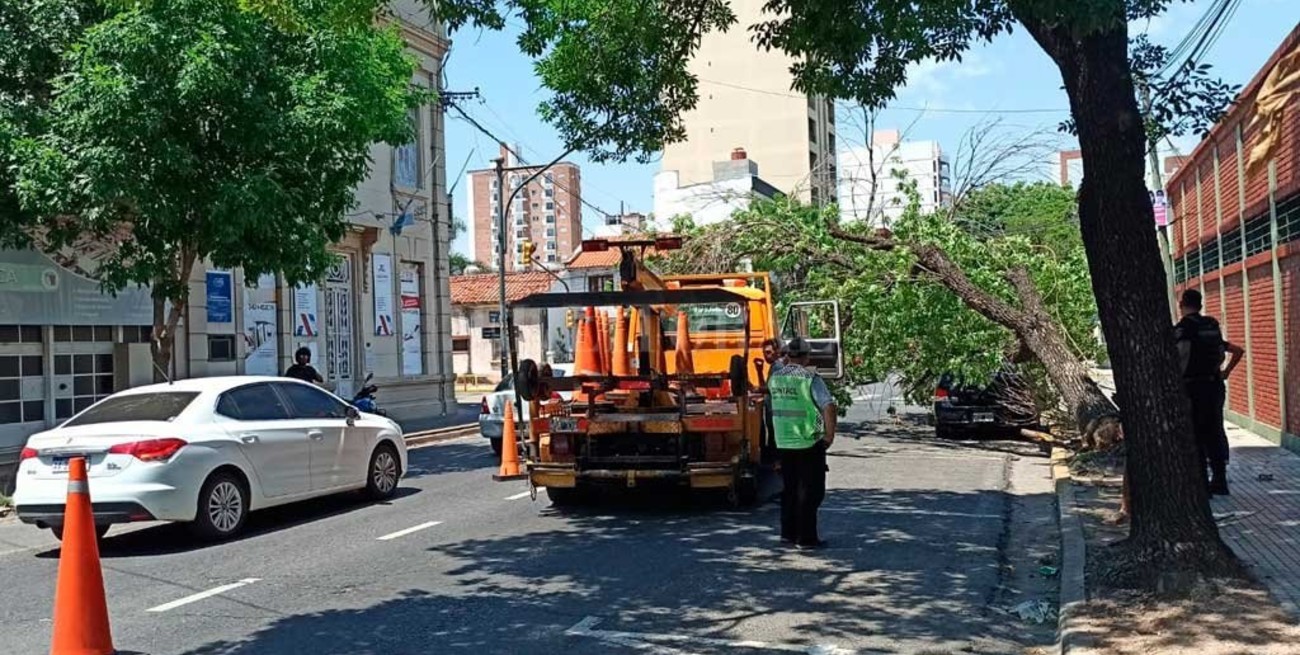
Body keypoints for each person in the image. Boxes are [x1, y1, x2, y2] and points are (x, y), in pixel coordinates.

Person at [1174, 289, 1245, 495]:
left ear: (1182, 304)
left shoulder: (1183, 329)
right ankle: (1220, 481)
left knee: (1196, 434)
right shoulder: (1211, 325)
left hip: (1192, 388)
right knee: (1214, 431)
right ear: (1201, 304)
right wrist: (1226, 372)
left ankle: (1202, 485)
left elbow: (1181, 357)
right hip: (1214, 386)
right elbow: (1238, 350)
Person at [769, 337, 837, 550]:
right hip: (808, 440)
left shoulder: (775, 379)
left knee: (789, 489)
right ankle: (806, 538)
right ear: (807, 356)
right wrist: (829, 435)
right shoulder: (810, 378)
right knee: (811, 491)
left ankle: (788, 534)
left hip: (784, 441)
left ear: (788, 355)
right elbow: (828, 406)